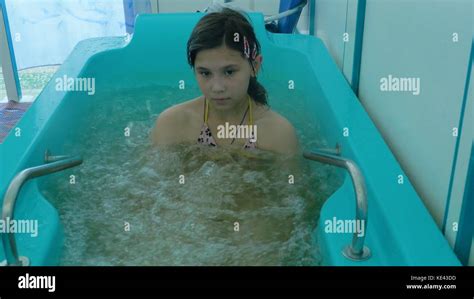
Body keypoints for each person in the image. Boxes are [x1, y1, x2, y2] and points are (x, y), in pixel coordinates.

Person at [151, 8, 298, 155]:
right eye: (205, 73)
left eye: (229, 72)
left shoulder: (278, 134)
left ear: (254, 66)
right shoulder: (172, 124)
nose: (217, 87)